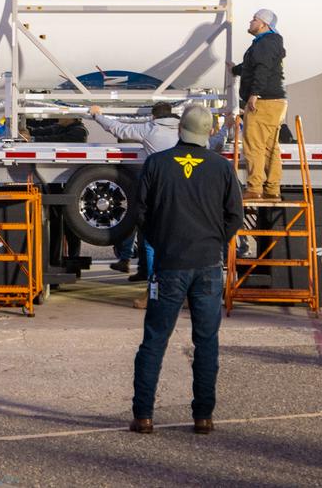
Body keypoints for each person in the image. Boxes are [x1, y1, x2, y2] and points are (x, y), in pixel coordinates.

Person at [130, 106, 244, 436]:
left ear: (180, 128)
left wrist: (161, 241)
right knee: (206, 342)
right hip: (208, 264)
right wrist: (215, 241)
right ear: (209, 133)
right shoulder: (221, 168)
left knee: (154, 340)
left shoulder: (156, 164)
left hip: (169, 263)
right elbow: (235, 216)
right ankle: (203, 416)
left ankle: (144, 416)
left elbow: (140, 213)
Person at [89, 102, 180, 285]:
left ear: (154, 116)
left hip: (157, 191)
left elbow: (119, 129)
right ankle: (167, 278)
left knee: (150, 239)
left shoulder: (151, 129)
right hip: (181, 191)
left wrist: (97, 115)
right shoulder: (183, 129)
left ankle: (154, 285)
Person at [230, 8, 287, 200]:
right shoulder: (270, 43)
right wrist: (235, 69)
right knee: (270, 147)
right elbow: (254, 66)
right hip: (275, 101)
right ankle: (272, 189)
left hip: (263, 101)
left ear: (264, 24)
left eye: (254, 19)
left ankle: (254, 188)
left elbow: (262, 68)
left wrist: (255, 94)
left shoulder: (265, 43)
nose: (250, 21)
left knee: (254, 145)